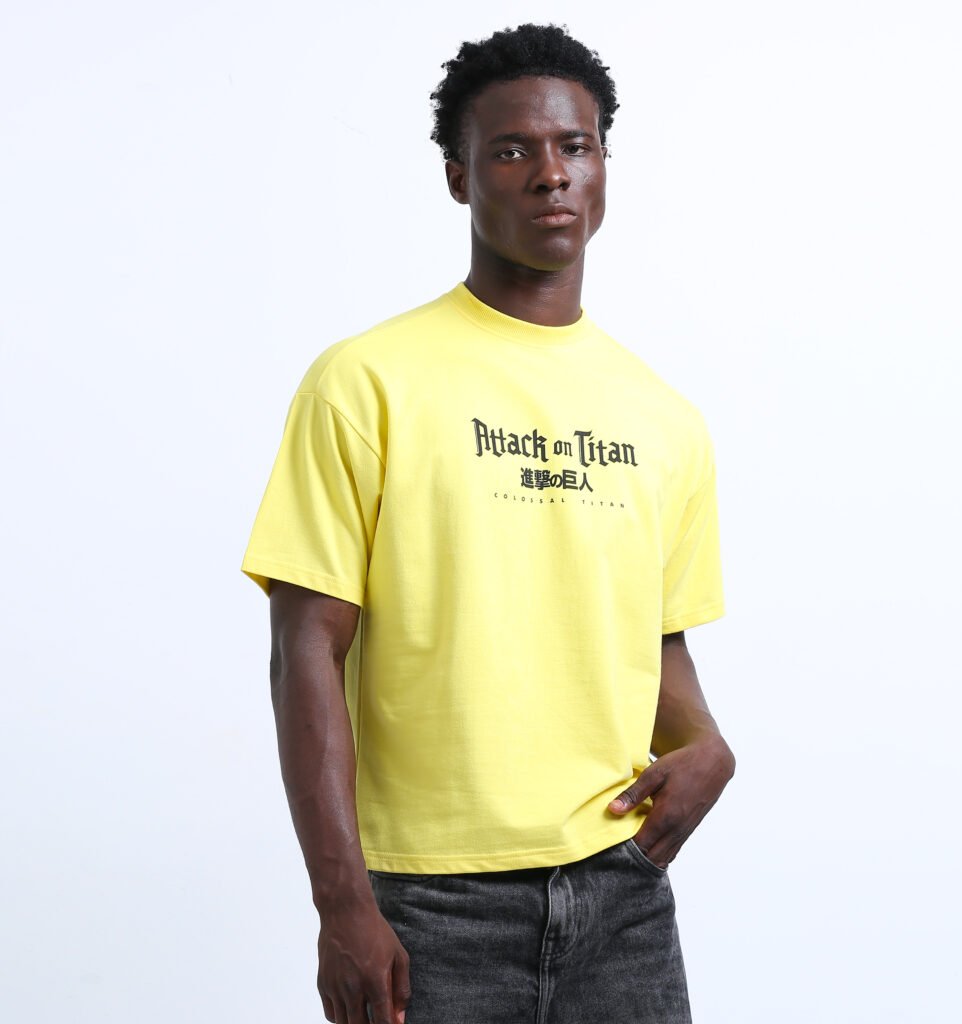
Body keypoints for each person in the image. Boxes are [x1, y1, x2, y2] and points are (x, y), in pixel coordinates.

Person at [241, 22, 736, 1024]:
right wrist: (343, 904)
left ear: (603, 165)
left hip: (621, 889)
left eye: (575, 146)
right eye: (512, 150)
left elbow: (652, 639)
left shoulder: (665, 417)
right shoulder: (365, 383)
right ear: (458, 178)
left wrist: (708, 741)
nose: (551, 173)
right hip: (430, 900)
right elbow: (305, 649)